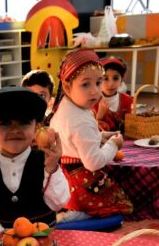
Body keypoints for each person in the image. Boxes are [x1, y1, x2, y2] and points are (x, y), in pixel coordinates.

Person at [48, 49, 133, 219]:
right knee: (126, 205)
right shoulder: (81, 120)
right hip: (83, 183)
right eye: (85, 84)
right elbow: (93, 163)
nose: (95, 91)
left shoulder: (65, 107)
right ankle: (80, 214)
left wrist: (101, 137)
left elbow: (74, 142)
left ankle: (72, 208)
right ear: (67, 86)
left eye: (98, 82)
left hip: (64, 181)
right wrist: (113, 145)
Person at [0, 86, 68, 234]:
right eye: (5, 123)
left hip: (46, 245)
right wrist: (3, 234)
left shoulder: (47, 162)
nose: (15, 130)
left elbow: (59, 203)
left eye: (24, 122)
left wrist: (51, 168)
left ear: (36, 128)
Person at [94, 57, 133, 132]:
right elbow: (90, 131)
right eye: (105, 78)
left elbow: (130, 127)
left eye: (115, 78)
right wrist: (100, 115)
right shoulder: (93, 101)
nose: (111, 84)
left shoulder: (127, 100)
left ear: (121, 80)